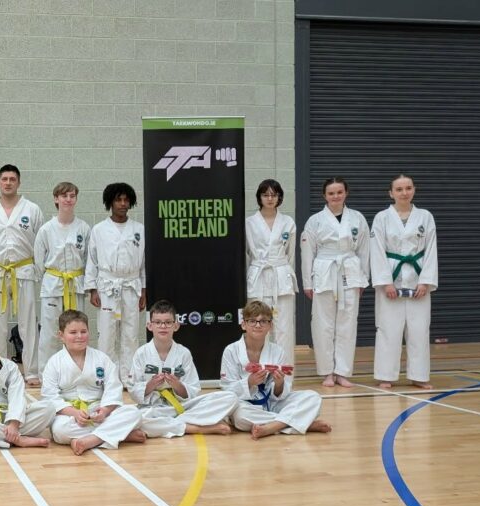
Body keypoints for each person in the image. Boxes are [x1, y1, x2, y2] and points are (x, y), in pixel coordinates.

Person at [220, 301, 331, 440]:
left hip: (272, 404)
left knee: (313, 397)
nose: (258, 325)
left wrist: (279, 384)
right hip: (246, 405)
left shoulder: (277, 351)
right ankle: (303, 423)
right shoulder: (231, 351)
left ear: (270, 326)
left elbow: (281, 393)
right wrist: (248, 382)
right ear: (244, 324)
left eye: (263, 321)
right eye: (252, 321)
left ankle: (271, 427)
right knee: (240, 416)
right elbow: (227, 391)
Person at [41, 310, 143, 455]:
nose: (79, 336)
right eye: (73, 332)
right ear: (61, 335)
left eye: (83, 331)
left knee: (134, 413)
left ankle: (90, 440)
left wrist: (105, 411)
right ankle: (121, 434)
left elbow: (113, 389)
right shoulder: (54, 363)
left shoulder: (102, 359)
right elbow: (50, 397)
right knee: (59, 430)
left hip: (99, 412)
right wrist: (75, 413)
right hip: (70, 415)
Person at [129, 300, 237, 438]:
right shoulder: (141, 353)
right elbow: (133, 390)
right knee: (133, 416)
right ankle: (194, 427)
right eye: (158, 322)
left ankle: (171, 424)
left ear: (176, 325)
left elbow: (193, 389)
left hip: (182, 407)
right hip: (153, 409)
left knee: (230, 397)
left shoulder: (183, 353)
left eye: (168, 322)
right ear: (150, 326)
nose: (163, 326)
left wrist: (178, 385)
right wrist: (151, 385)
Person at [370, 175, 438, 390]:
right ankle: (386, 375)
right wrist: (385, 282)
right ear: (391, 193)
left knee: (419, 329)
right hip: (391, 278)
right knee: (388, 329)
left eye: (408, 188)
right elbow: (377, 251)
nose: (404, 192)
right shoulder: (381, 217)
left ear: (414, 190)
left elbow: (431, 250)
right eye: (399, 189)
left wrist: (426, 281)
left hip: (418, 278)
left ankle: (419, 375)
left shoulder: (425, 217)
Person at [300, 177, 370, 388]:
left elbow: (364, 250)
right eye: (331, 193)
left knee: (348, 324)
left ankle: (342, 371)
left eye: (339, 192)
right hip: (324, 272)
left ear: (346, 193)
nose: (335, 196)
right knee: (323, 325)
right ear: (325, 196)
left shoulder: (357, 218)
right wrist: (307, 282)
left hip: (350, 270)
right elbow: (307, 252)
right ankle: (326, 372)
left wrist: (363, 279)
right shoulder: (315, 220)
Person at [0, 164, 44, 385]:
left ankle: (32, 371)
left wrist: (33, 269)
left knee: (28, 324)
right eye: (4, 179)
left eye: (12, 179)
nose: (8, 182)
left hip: (24, 271)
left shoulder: (32, 209)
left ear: (18, 182)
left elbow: (39, 243)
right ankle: (0, 370)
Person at [84, 183, 146, 385]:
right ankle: (108, 378)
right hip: (107, 286)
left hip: (131, 285)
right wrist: (92, 288)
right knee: (107, 334)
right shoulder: (99, 229)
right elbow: (92, 260)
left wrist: (144, 289)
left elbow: (144, 262)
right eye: (118, 199)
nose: (122, 203)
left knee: (130, 334)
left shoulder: (139, 229)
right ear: (110, 202)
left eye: (126, 200)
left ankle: (129, 377)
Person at [34, 182, 90, 369]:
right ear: (56, 199)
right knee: (50, 333)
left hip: (76, 284)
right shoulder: (46, 229)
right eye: (64, 196)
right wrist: (51, 279)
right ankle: (45, 372)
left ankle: (77, 369)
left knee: (78, 331)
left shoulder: (83, 228)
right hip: (53, 285)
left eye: (72, 196)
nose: (68, 199)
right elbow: (39, 261)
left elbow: (88, 259)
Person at [245, 179, 297, 364]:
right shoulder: (249, 223)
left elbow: (290, 255)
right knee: (258, 326)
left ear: (279, 197)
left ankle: (284, 374)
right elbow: (247, 254)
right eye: (265, 195)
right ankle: (259, 371)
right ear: (259, 197)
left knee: (284, 329)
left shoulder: (288, 222)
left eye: (273, 195)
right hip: (258, 275)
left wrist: (284, 271)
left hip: (281, 276)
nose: (269, 198)